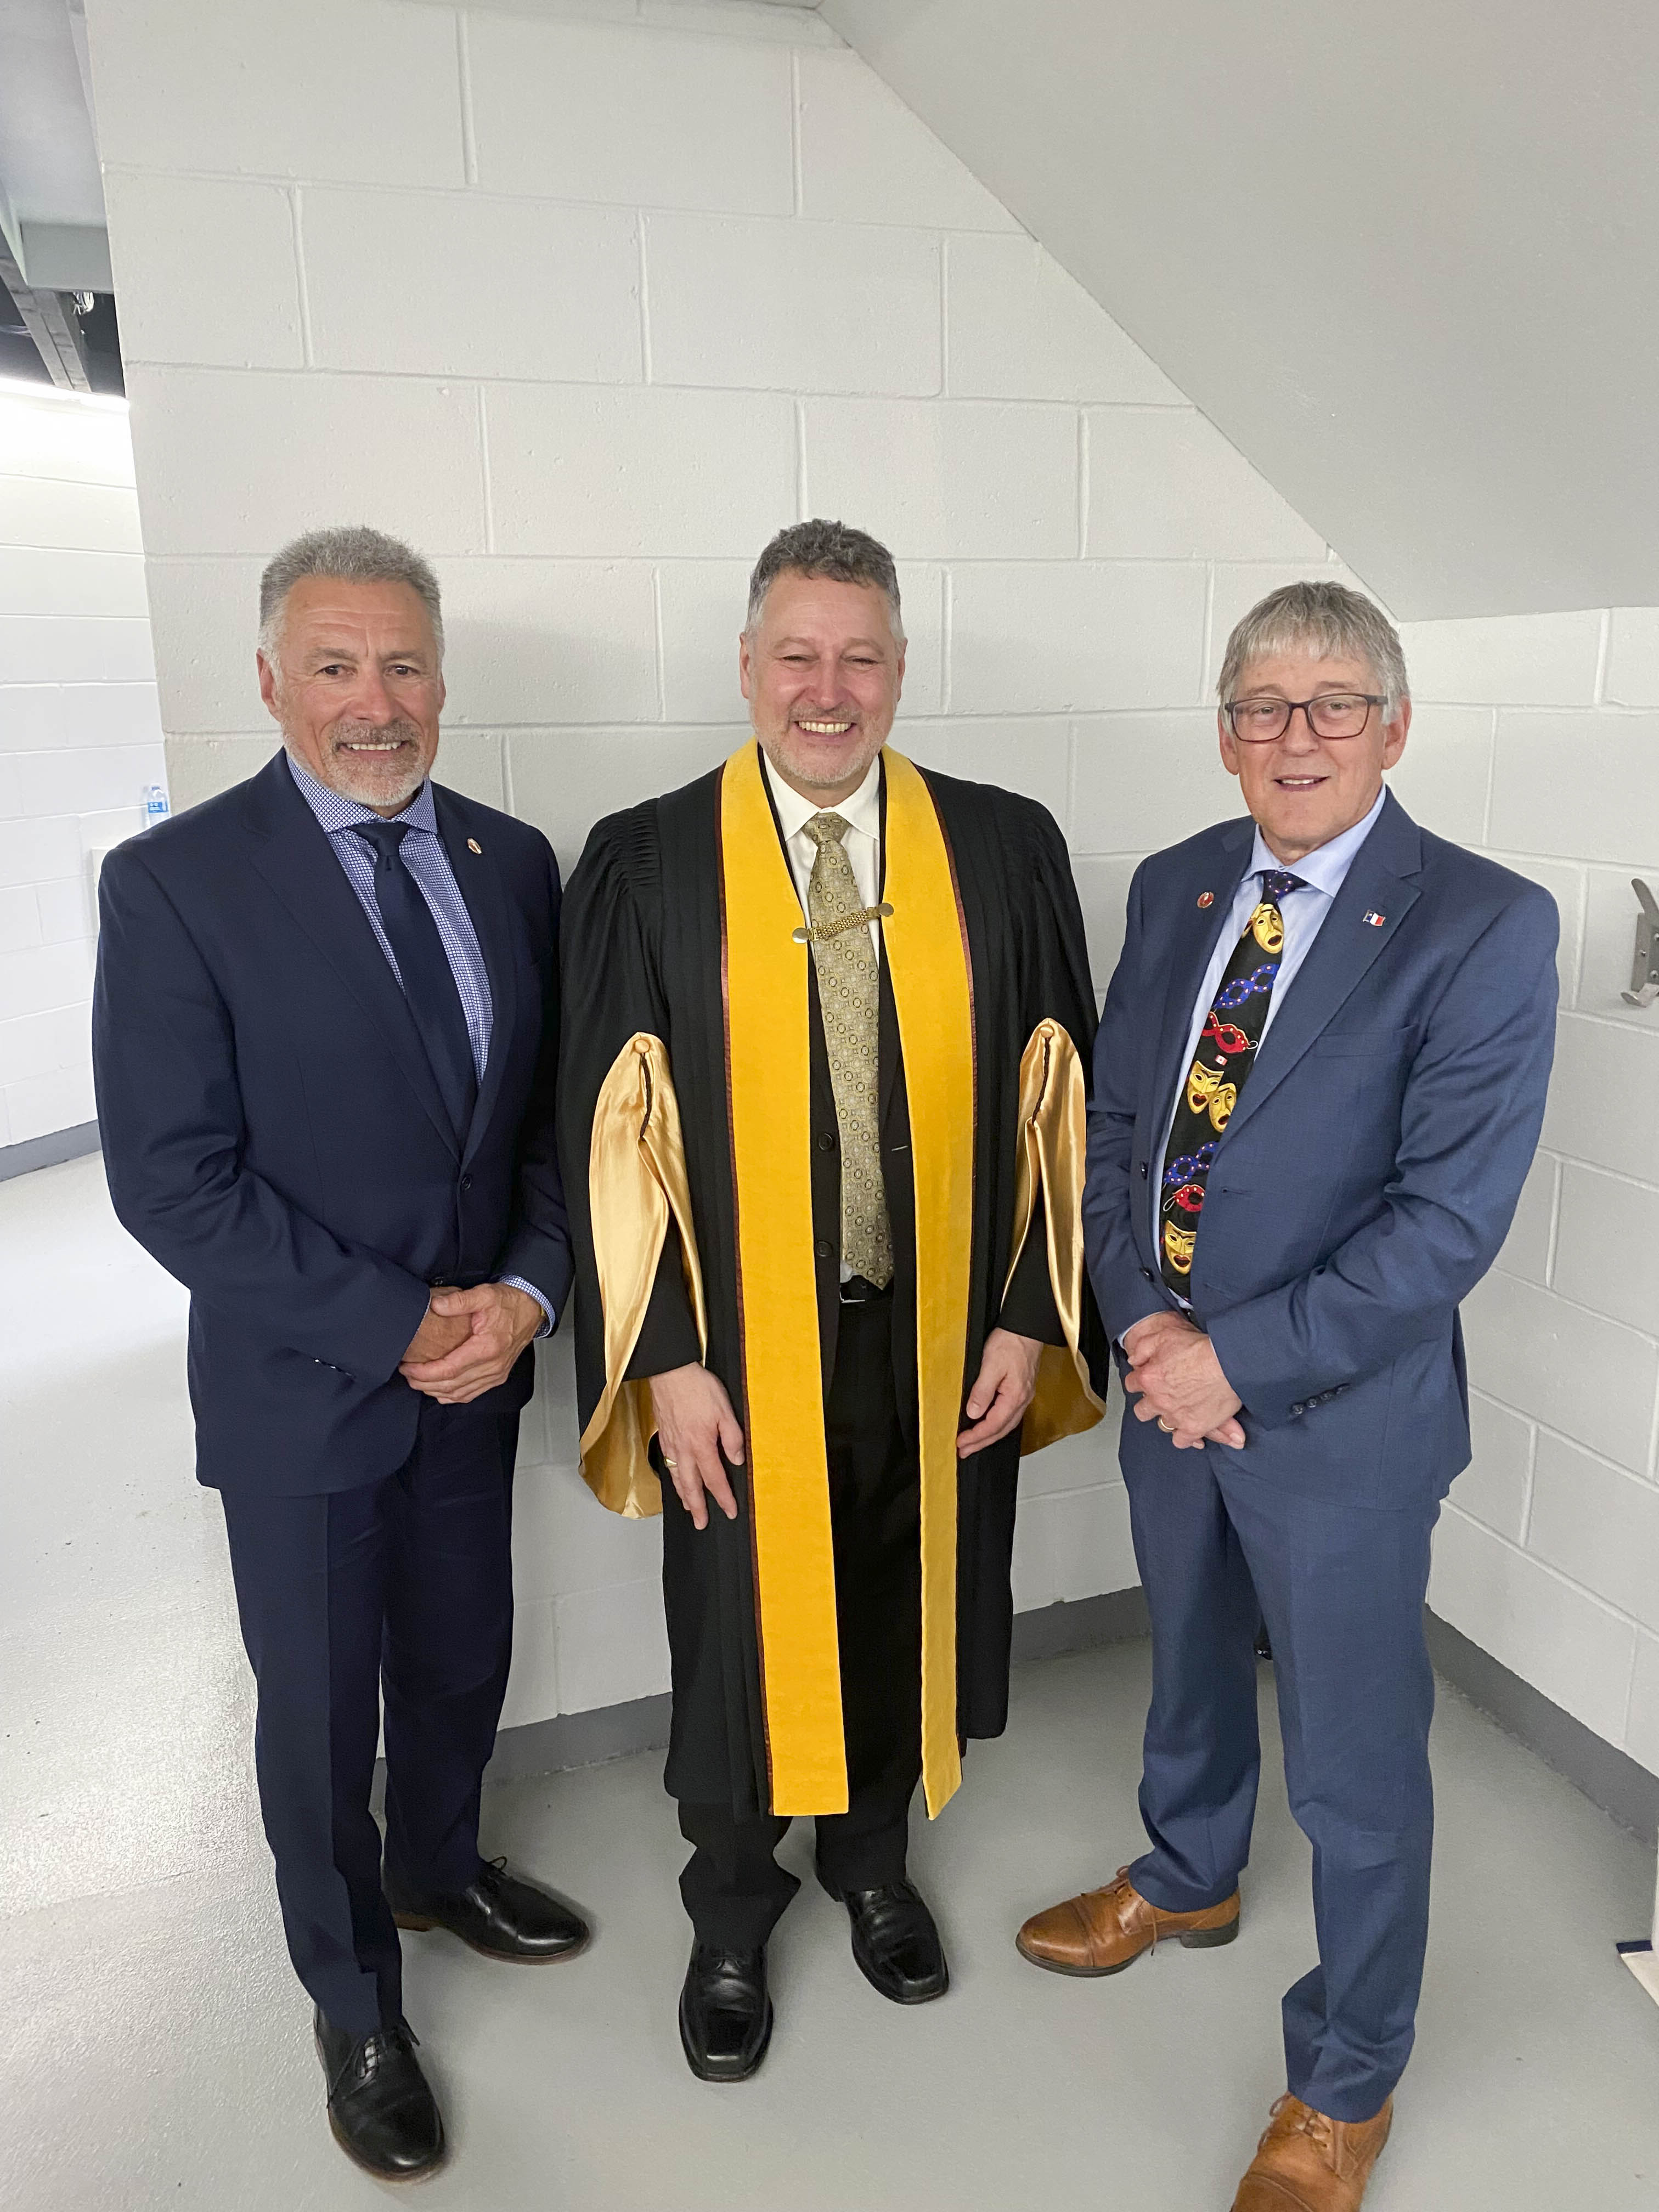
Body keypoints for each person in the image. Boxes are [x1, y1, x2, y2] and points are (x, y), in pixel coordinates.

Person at [1015, 580, 1558, 2211]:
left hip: (1340, 1423)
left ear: (1396, 727)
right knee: (1183, 1662)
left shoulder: (1483, 920)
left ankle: (1347, 2080)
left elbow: (1446, 1226)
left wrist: (1227, 1356)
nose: (1296, 735)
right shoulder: (1181, 882)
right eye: (1263, 704)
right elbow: (1115, 1133)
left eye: (1335, 704)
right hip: (1171, 1392)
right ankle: (1188, 1877)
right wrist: (1139, 1323)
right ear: (1226, 728)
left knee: (1353, 1758)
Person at [558, 518, 1107, 2082]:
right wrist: (663, 1359)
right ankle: (732, 1911)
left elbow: (1058, 1098)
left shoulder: (1002, 847)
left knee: (903, 1601)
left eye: (860, 655)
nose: (828, 686)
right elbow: (610, 1125)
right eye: (796, 653)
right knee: (737, 1625)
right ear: (745, 667)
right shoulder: (650, 860)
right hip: (738, 1353)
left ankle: (872, 1871)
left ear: (901, 669)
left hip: (937, 1331)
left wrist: (1024, 1309)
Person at [92, 527, 587, 2182]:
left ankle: (440, 1870)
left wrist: (520, 1296)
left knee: (460, 1654)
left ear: (441, 681)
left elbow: (543, 1126)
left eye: (402, 667)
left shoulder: (515, 862)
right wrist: (396, 1325)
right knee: (316, 1709)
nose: (373, 704)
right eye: (334, 666)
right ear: (267, 680)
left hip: (480, 1371)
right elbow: (175, 1179)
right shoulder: (175, 883)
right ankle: (352, 1996)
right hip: (308, 1389)